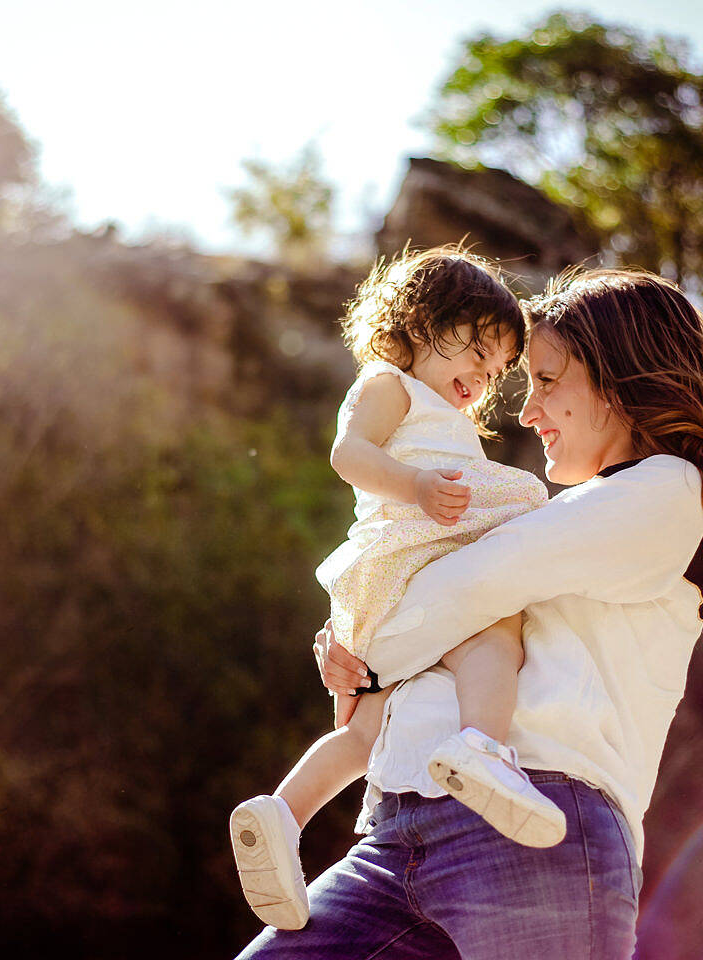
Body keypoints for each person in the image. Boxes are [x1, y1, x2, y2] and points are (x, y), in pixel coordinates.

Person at [236, 266, 703, 959]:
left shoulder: (664, 490)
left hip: (538, 830)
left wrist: (368, 649)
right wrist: (359, 650)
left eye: (547, 381)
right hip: (399, 831)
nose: (525, 412)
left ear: (622, 380)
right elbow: (446, 598)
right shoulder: (567, 515)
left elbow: (475, 584)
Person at [229, 246, 568, 932]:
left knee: (362, 735)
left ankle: (281, 816)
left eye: (497, 367)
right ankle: (481, 746)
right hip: (402, 554)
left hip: (391, 580)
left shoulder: (443, 412)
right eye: (476, 349)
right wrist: (415, 486)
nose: (484, 374)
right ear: (419, 324)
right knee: (493, 630)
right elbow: (347, 454)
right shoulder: (391, 385)